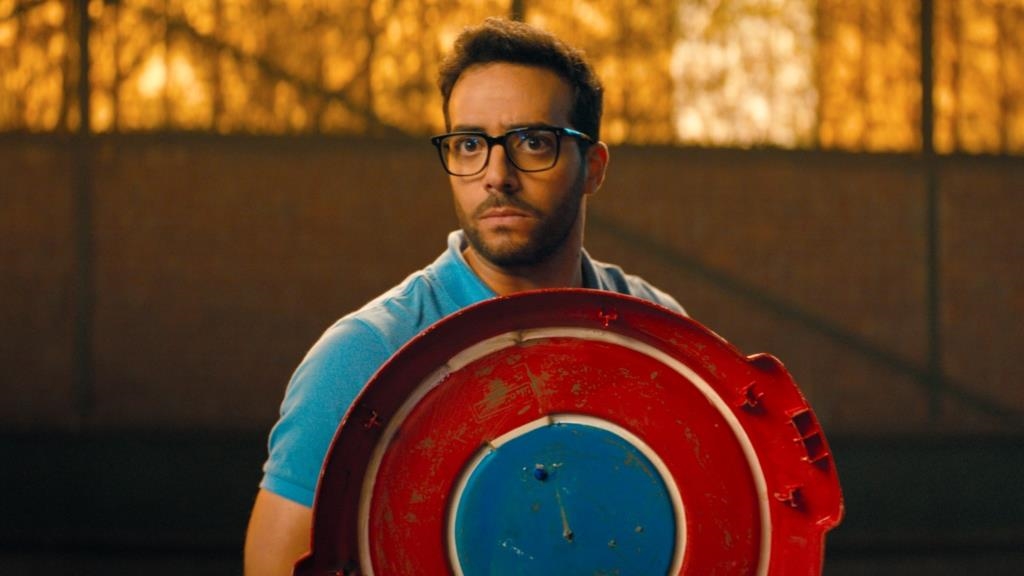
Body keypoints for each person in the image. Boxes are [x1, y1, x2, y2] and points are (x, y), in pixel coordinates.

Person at [243, 17, 685, 575]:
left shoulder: (658, 335)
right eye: (470, 144)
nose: (496, 175)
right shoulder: (366, 356)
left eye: (533, 142)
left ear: (593, 168)